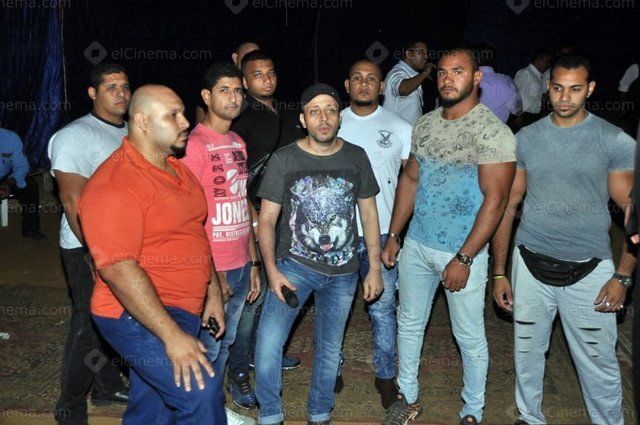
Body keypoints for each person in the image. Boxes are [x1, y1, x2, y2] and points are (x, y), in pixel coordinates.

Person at [492, 54, 635, 425]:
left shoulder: (613, 140)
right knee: (527, 356)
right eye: (557, 88)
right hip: (529, 263)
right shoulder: (526, 138)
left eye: (575, 89)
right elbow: (508, 206)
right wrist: (500, 272)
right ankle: (529, 417)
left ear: (590, 89)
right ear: (548, 88)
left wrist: (622, 276)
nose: (565, 97)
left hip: (590, 269)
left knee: (598, 364)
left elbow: (633, 212)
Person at [381, 48, 516, 425]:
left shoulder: (493, 132)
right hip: (417, 245)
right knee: (409, 324)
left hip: (462, 251)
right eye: (442, 72)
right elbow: (410, 180)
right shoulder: (425, 124)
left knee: (468, 336)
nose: (447, 78)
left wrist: (465, 257)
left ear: (476, 79)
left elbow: (496, 200)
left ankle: (472, 411)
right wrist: (394, 234)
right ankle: (407, 398)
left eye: (458, 71)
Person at [79, 85, 228, 424]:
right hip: (136, 313)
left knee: (154, 408)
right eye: (172, 115)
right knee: (201, 391)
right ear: (143, 121)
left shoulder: (177, 168)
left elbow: (194, 232)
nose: (185, 122)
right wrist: (171, 336)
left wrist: (212, 292)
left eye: (182, 113)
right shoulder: (114, 184)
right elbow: (118, 269)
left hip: (183, 306)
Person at [254, 83, 383, 425]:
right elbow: (266, 221)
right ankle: (270, 414)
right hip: (294, 269)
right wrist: (272, 271)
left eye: (330, 110)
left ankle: (320, 412)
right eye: (314, 111)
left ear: (340, 117)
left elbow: (369, 214)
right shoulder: (284, 159)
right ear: (303, 119)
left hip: (343, 274)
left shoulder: (356, 156)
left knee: (329, 349)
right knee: (269, 343)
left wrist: (373, 268)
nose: (323, 118)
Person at [48, 63, 130, 425]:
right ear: (93, 93)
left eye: (125, 86)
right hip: (86, 247)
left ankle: (107, 386)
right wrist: (97, 254)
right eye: (111, 87)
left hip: (122, 244)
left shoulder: (128, 132)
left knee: (111, 318)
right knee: (88, 325)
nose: (121, 93)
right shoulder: (75, 135)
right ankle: (69, 405)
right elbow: (72, 202)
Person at [181, 62, 260, 425]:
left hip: (241, 263)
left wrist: (254, 262)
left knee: (226, 344)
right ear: (207, 96)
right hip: (213, 268)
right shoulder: (193, 146)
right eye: (224, 90)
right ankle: (200, 414)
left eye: (238, 91)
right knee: (207, 348)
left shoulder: (238, 142)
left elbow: (243, 204)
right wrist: (212, 276)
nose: (233, 98)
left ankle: (215, 408)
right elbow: (188, 219)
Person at [226, 49, 304, 410]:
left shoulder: (290, 113)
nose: (267, 80)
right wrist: (253, 217)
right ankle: (238, 369)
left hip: (291, 217)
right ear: (245, 81)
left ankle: (265, 352)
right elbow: (234, 179)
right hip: (256, 216)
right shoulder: (240, 121)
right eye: (258, 75)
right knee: (251, 299)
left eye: (270, 73)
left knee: (281, 289)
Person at [338, 59, 412, 408]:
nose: (364, 83)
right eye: (357, 78)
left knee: (382, 310)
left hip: (382, 234)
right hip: (336, 235)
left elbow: (411, 183)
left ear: (382, 87)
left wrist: (397, 233)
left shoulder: (400, 127)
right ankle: (331, 367)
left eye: (371, 79)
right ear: (347, 85)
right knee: (335, 308)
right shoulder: (332, 121)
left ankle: (385, 376)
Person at [195, 41, 260, 123]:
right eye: (247, 55)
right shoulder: (218, 79)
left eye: (257, 56)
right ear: (235, 58)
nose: (253, 60)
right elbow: (201, 121)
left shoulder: (262, 84)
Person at [0, 127, 45, 239]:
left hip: (4, 177)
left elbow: (22, 166)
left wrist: (8, 183)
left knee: (30, 186)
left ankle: (30, 228)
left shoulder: (11, 138)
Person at [383, 40, 435, 125]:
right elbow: (403, 89)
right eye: (421, 52)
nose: (426, 57)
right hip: (396, 131)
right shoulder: (397, 72)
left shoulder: (412, 74)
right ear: (409, 54)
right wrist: (425, 73)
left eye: (426, 53)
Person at [476, 44, 522, 123]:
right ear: (495, 60)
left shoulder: (466, 81)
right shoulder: (507, 82)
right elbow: (517, 110)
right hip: (497, 129)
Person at [514, 48, 552, 126]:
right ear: (538, 60)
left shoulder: (538, 76)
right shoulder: (525, 73)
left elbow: (534, 96)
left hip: (534, 116)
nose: (548, 64)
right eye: (546, 61)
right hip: (524, 115)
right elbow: (514, 94)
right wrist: (517, 116)